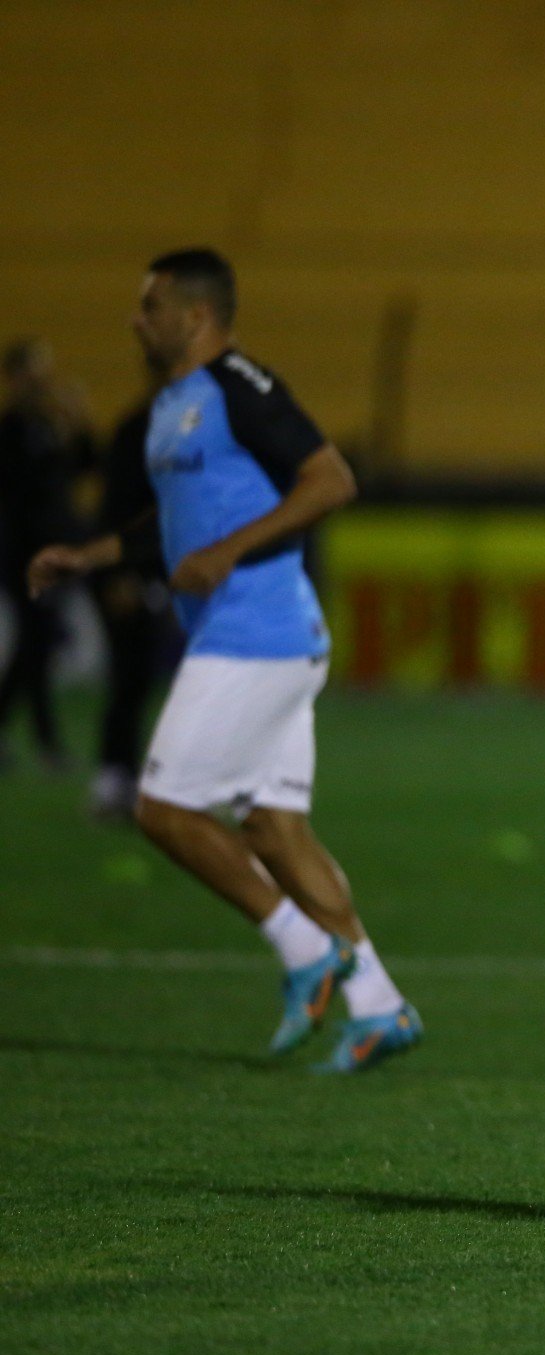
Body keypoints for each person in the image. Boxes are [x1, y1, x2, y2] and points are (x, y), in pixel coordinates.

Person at [28, 247, 420, 1072]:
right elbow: (171, 529)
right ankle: (379, 1004)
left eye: (151, 306)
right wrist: (90, 555)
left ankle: (302, 947)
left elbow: (330, 481)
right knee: (273, 829)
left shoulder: (241, 386)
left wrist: (228, 551)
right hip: (255, 635)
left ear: (196, 315)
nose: (138, 320)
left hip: (259, 631)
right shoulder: (174, 406)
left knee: (162, 808)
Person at [86, 386, 176, 820]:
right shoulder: (138, 428)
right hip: (136, 570)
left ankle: (168, 781)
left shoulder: (201, 424)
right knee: (130, 677)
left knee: (170, 681)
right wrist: (117, 573)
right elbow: (115, 506)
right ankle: (114, 777)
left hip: (178, 572)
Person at [0, 338, 79, 772]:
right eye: (36, 370)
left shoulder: (49, 425)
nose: (44, 379)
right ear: (15, 377)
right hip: (25, 554)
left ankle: (40, 741)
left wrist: (76, 423)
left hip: (54, 552)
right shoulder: (11, 429)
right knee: (36, 643)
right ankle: (48, 744)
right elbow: (26, 491)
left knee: (35, 644)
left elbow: (86, 465)